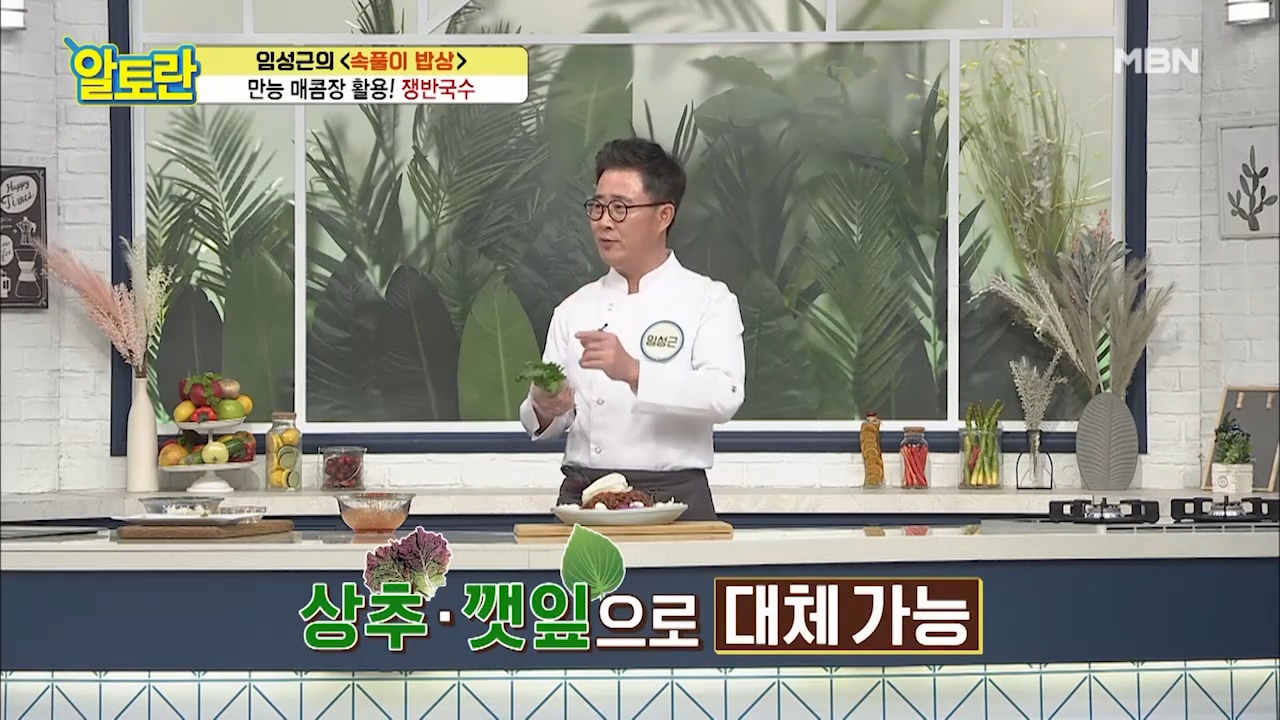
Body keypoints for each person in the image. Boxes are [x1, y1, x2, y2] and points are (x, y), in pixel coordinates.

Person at [517, 138, 746, 521]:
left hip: (674, 499)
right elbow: (551, 422)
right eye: (598, 207)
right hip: (584, 496)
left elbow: (724, 396)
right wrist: (544, 406)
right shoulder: (574, 309)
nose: (605, 221)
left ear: (663, 215)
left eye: (620, 208)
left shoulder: (708, 300)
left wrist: (634, 371)